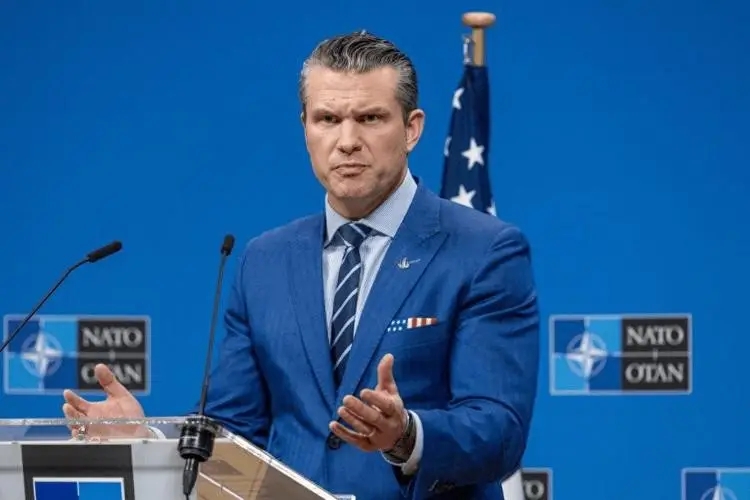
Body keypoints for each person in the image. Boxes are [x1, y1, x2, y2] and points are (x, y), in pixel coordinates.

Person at [62, 31, 540, 500]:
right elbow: (232, 430)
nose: (347, 141)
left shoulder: (484, 251)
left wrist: (405, 435)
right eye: (328, 119)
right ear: (306, 129)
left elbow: (499, 431)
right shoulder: (264, 260)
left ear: (411, 129)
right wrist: (146, 441)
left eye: (370, 118)